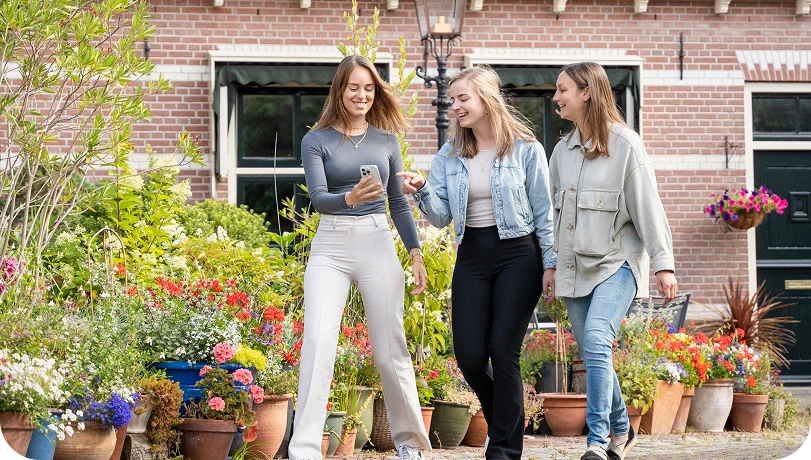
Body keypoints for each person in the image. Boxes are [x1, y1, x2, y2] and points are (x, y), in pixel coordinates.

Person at [399, 65, 557, 460]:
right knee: (469, 355)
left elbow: (544, 212)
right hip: (472, 255)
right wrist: (420, 191)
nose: (455, 106)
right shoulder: (450, 155)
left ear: (486, 99)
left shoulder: (525, 148)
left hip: (518, 254)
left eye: (462, 98)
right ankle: (506, 418)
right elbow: (440, 217)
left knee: (504, 350)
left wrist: (551, 263)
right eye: (452, 100)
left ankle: (502, 450)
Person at [288, 55, 431, 460]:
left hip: (377, 242)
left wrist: (415, 254)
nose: (362, 95)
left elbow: (399, 206)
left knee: (391, 349)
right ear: (340, 89)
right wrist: (349, 197)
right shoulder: (316, 140)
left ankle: (411, 444)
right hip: (330, 246)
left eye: (369, 88)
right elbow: (318, 199)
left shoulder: (386, 142)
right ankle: (304, 450)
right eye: (354, 87)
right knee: (317, 340)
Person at [549, 61, 679, 460]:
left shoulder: (626, 145)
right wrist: (551, 264)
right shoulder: (561, 152)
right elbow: (553, 218)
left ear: (586, 92)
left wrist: (663, 263)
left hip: (617, 263)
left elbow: (647, 207)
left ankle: (599, 442)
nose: (555, 97)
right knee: (593, 351)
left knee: (597, 339)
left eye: (562, 89)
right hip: (574, 269)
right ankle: (623, 428)